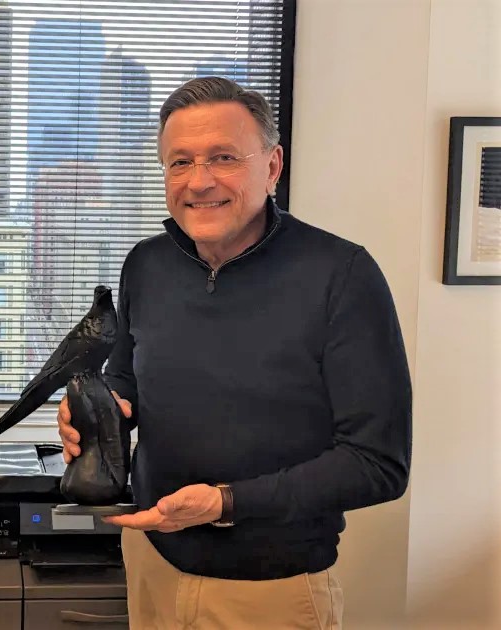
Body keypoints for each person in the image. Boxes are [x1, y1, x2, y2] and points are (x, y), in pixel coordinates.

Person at [57, 76, 412, 630]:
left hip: (270, 590)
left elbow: (378, 463)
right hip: (152, 562)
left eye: (222, 157)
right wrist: (100, 411)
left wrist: (224, 502)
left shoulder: (342, 276)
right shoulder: (145, 265)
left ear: (272, 167)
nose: (199, 182)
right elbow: (126, 378)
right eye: (179, 163)